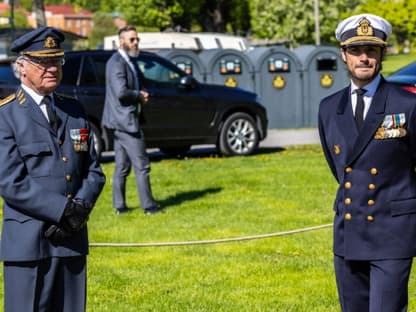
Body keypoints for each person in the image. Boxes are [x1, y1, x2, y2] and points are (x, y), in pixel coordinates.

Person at [0, 27, 106, 311]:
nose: (52, 68)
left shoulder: (74, 111)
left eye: (57, 61)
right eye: (43, 62)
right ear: (21, 67)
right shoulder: (6, 115)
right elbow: (11, 182)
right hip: (28, 244)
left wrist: (79, 209)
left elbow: (93, 169)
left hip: (71, 239)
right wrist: (63, 211)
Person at [318, 14, 416, 311]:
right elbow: (340, 167)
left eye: (371, 50)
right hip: (349, 233)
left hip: (392, 233)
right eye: (356, 50)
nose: (364, 57)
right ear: (343, 55)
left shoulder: (407, 105)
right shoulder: (328, 108)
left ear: (383, 54)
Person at [102, 25, 160, 215]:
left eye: (137, 39)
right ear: (122, 42)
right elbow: (121, 92)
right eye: (132, 39)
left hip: (121, 122)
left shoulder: (128, 61)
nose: (136, 43)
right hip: (125, 123)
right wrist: (139, 95)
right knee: (142, 165)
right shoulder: (117, 62)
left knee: (122, 166)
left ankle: (119, 207)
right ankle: (149, 207)